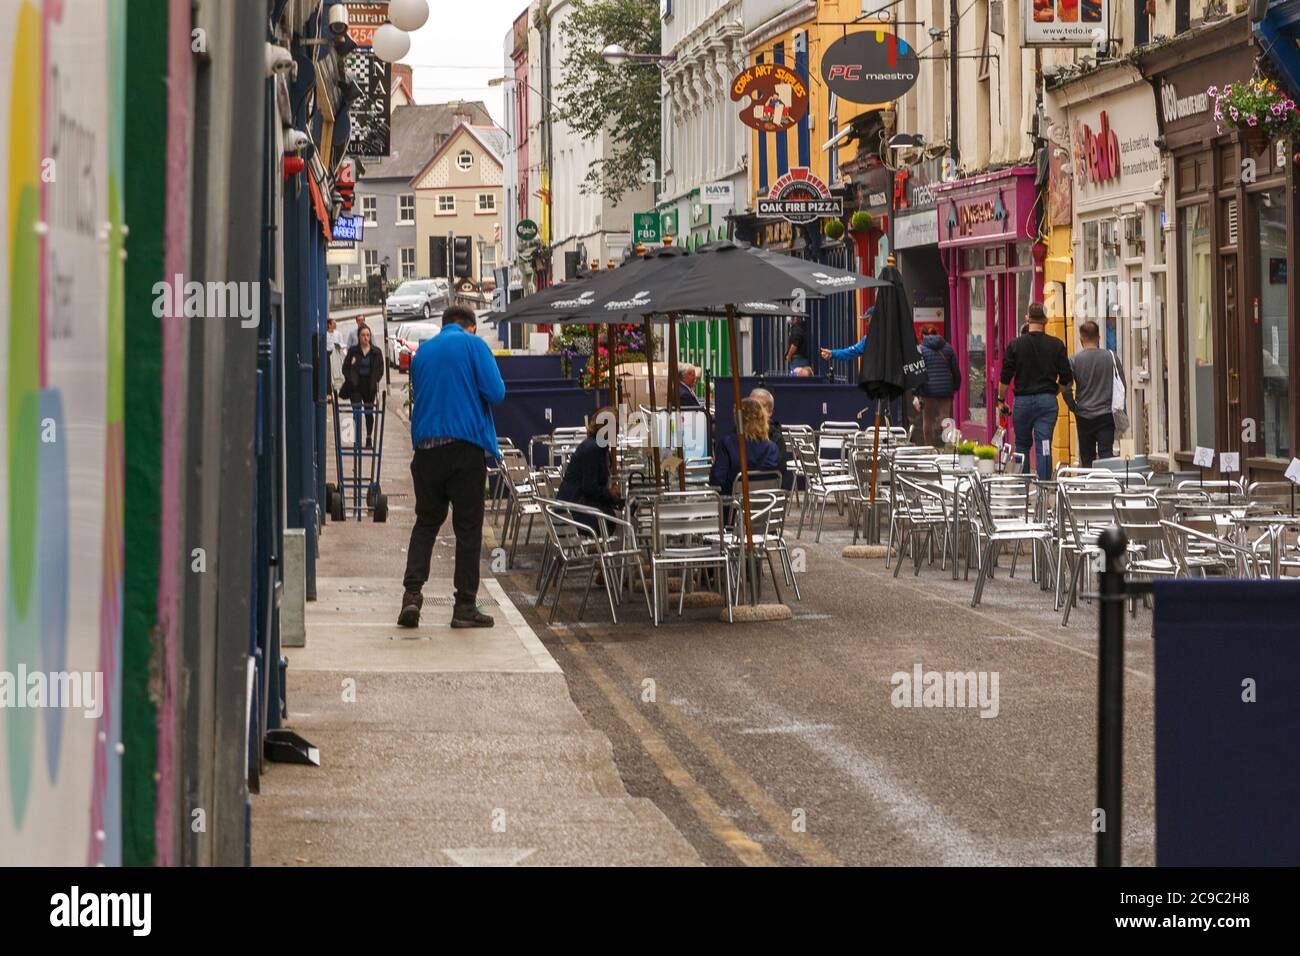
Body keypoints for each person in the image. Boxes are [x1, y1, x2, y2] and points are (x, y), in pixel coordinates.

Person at [398, 305, 506, 630]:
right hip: (464, 450)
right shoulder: (474, 346)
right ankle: (464, 607)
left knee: (426, 523)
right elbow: (496, 393)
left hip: (426, 451)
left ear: (443, 326)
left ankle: (412, 597)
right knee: (468, 529)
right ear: (470, 327)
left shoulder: (422, 354)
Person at [996, 302, 1074, 480]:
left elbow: (1005, 378)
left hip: (1022, 402)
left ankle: (1023, 487)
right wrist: (1054, 391)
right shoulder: (1056, 345)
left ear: (1027, 318)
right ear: (1045, 320)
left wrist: (1001, 400)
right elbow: (1066, 378)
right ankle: (1044, 488)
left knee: (1022, 444)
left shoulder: (1015, 345)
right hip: (1047, 402)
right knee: (1045, 444)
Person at [1070, 319, 1125, 467]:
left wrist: (1072, 406)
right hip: (1106, 414)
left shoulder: (1074, 360)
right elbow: (1122, 385)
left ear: (1081, 339)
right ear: (1099, 337)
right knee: (1106, 453)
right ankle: (1107, 485)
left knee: (1087, 456)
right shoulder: (1111, 357)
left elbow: (1066, 386)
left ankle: (1089, 485)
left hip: (1083, 415)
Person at [557, 408, 624, 528]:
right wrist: (610, 494)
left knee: (622, 518)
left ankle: (604, 546)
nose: (618, 431)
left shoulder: (595, 446)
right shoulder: (593, 449)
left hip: (576, 506)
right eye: (616, 426)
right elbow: (590, 487)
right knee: (624, 522)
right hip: (575, 511)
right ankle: (608, 547)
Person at [711, 398, 781, 493]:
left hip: (735, 504)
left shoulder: (728, 444)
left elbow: (717, 480)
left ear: (737, 418)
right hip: (768, 503)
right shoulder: (772, 448)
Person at [340, 325, 385, 449]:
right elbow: (345, 368)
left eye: (368, 335)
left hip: (369, 386)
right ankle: (356, 439)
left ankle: (369, 438)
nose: (366, 338)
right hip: (356, 386)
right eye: (363, 335)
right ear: (358, 337)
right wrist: (351, 380)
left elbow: (380, 369)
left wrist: (376, 380)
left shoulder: (376, 352)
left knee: (369, 413)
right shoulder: (353, 351)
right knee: (356, 412)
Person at [916, 325, 960, 448]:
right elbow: (956, 370)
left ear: (922, 336)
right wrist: (955, 386)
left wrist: (916, 392)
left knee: (927, 418)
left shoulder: (920, 349)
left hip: (927, 389)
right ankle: (949, 446)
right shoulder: (948, 348)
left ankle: (929, 447)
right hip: (945, 388)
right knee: (945, 417)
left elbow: (917, 372)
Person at [748, 387, 789, 485]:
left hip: (770, 495)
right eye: (753, 406)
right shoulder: (733, 440)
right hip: (738, 496)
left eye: (761, 406)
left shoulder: (776, 440)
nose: (756, 411)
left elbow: (779, 471)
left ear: (770, 412)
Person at [326, 317, 345, 396]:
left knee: (337, 372)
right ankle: (329, 392)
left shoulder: (338, 333)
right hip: (327, 354)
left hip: (336, 354)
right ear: (329, 325)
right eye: (334, 324)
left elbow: (342, 343)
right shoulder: (325, 334)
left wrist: (339, 346)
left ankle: (337, 389)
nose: (335, 325)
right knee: (328, 374)